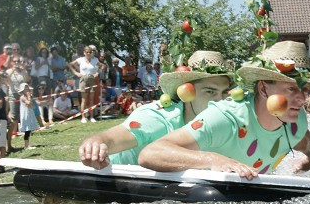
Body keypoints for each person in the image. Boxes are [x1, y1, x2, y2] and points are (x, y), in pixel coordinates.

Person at [138, 41, 310, 179]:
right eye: (291, 89)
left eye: (306, 89)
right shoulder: (225, 118)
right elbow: (151, 153)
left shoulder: (297, 123)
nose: (302, 99)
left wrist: (306, 164)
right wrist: (214, 160)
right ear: (264, 88)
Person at [79, 51, 234, 168]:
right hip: (115, 187)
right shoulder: (159, 117)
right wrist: (97, 143)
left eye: (224, 92)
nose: (219, 101)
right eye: (210, 92)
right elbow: (114, 138)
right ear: (186, 93)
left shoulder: (224, 123)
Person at [70, 45, 100, 123]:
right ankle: (83, 117)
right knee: (84, 100)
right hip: (83, 80)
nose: (89, 53)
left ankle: (92, 117)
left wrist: (97, 73)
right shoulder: (80, 59)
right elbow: (70, 65)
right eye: (87, 52)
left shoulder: (95, 60)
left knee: (91, 99)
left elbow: (103, 66)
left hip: (92, 79)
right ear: (84, 52)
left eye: (90, 52)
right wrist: (76, 73)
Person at [18, 83, 43, 150]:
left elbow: (32, 106)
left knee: (28, 130)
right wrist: (29, 98)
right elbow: (29, 103)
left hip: (29, 114)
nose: (27, 90)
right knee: (27, 130)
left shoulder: (29, 97)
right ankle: (26, 146)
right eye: (25, 89)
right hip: (25, 115)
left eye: (28, 89)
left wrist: (30, 99)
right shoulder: (22, 97)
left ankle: (27, 144)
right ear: (22, 91)